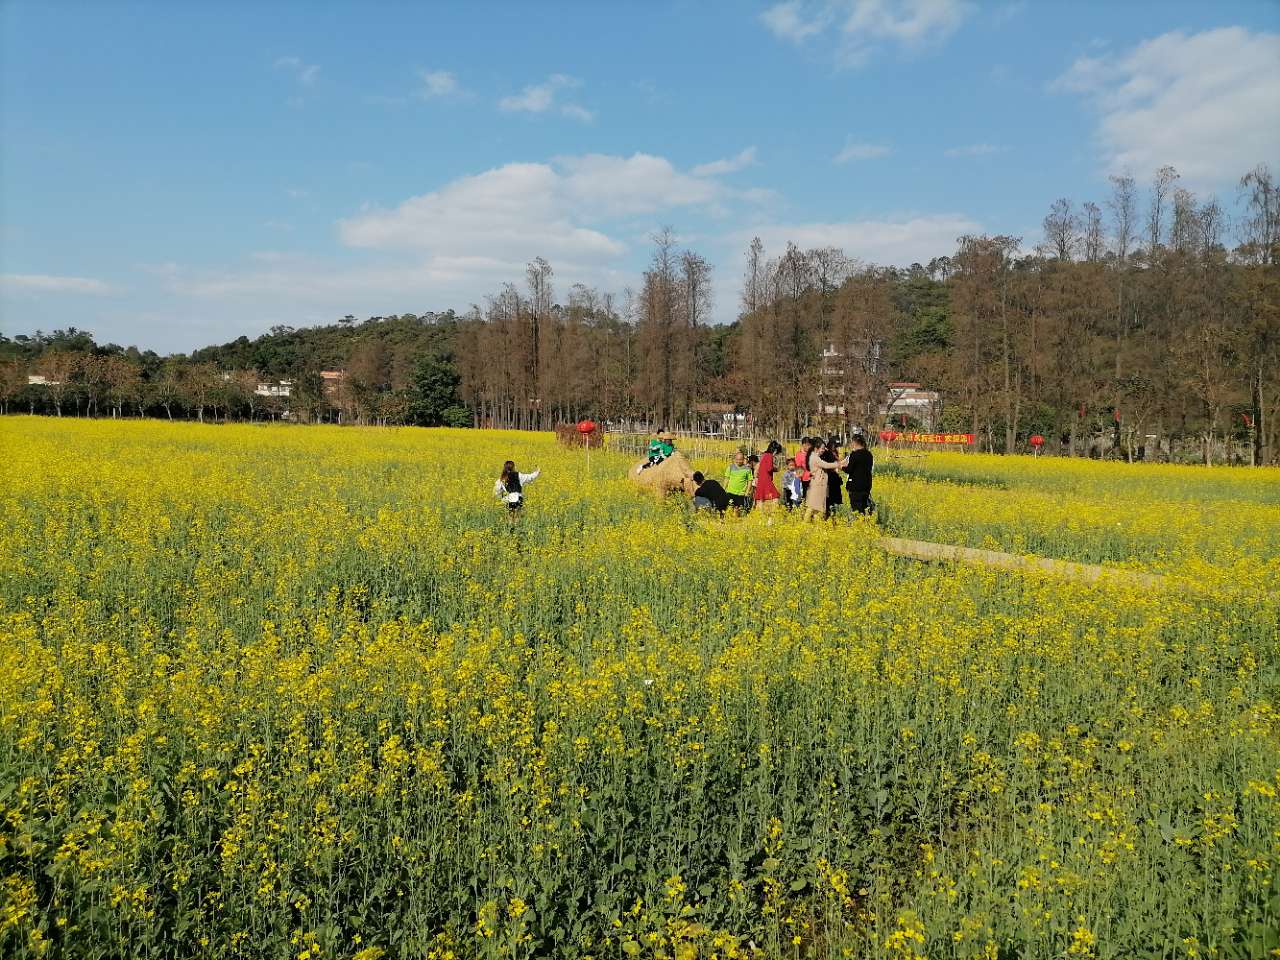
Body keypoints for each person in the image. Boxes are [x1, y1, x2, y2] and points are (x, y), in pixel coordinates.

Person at [804, 441, 840, 521]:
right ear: (816, 448)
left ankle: (817, 526)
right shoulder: (815, 457)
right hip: (818, 485)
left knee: (817, 508)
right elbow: (825, 465)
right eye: (822, 448)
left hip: (818, 484)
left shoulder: (815, 456)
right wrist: (838, 464)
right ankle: (805, 524)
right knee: (812, 507)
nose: (824, 450)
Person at [844, 433, 874, 515]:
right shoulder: (869, 454)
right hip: (866, 486)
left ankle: (859, 525)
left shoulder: (855, 455)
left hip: (855, 487)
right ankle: (864, 525)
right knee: (864, 508)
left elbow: (849, 469)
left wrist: (842, 467)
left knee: (856, 510)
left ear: (854, 443)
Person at [753, 440, 782, 514]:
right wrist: (776, 469)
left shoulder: (764, 455)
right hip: (766, 480)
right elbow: (769, 468)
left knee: (761, 499)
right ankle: (773, 514)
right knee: (775, 498)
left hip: (761, 480)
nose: (776, 454)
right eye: (777, 452)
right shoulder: (769, 456)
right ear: (775, 450)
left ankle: (759, 516)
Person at [825, 437, 844, 515]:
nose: (836, 447)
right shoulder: (826, 453)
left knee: (835, 500)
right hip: (829, 478)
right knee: (829, 498)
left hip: (835, 477)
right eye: (835, 445)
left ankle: (833, 515)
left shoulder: (835, 452)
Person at [796, 437, 814, 501]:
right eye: (808, 445)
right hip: (804, 479)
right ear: (803, 445)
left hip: (813, 477)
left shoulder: (812, 453)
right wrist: (799, 479)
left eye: (810, 445)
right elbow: (799, 467)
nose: (809, 447)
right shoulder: (799, 454)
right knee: (805, 496)